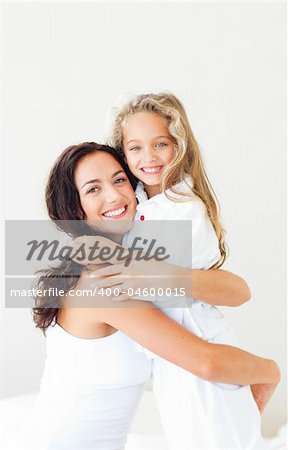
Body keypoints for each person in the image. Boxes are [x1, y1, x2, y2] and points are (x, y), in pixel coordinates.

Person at [10, 142, 279, 450]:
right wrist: (269, 371)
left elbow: (238, 291)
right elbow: (208, 363)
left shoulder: (130, 262)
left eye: (119, 180)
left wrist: (156, 271)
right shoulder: (100, 280)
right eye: (93, 189)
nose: (114, 195)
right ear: (74, 209)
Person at [90, 92, 279, 449]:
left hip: (197, 343)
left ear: (179, 144)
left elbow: (148, 282)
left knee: (217, 436)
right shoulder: (141, 203)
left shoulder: (183, 206)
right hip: (170, 355)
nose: (148, 157)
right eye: (135, 148)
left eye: (160, 143)